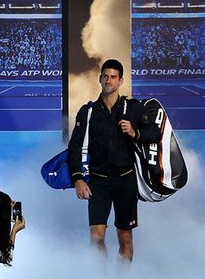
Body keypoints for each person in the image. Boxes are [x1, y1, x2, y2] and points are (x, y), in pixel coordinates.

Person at [67, 59, 160, 262]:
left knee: (125, 236)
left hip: (125, 181)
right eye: (105, 76)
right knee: (96, 238)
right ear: (100, 79)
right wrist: (78, 179)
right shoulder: (88, 111)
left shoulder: (133, 108)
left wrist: (135, 132)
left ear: (121, 81)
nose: (109, 80)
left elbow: (154, 133)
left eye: (113, 77)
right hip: (98, 182)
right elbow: (74, 147)